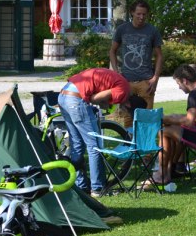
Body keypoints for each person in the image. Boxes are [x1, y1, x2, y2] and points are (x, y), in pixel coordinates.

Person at [58, 68, 145, 197]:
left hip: (64, 95)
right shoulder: (123, 91)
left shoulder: (122, 83)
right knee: (95, 146)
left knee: (77, 144)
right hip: (76, 100)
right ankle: (97, 188)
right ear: (129, 106)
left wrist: (104, 103)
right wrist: (99, 102)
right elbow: (94, 98)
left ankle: (81, 186)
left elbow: (100, 93)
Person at [150, 65, 196, 185]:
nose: (179, 87)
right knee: (171, 129)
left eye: (178, 83)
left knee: (164, 131)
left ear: (185, 81)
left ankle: (162, 173)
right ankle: (169, 171)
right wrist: (172, 119)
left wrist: (166, 119)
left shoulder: (195, 95)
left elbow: (189, 121)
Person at [109, 0, 163, 125]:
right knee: (127, 118)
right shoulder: (122, 29)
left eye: (144, 14)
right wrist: (117, 73)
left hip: (146, 81)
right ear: (132, 12)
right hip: (126, 81)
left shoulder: (152, 30)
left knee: (147, 118)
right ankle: (131, 142)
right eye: (138, 14)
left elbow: (159, 56)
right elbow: (112, 51)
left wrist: (155, 78)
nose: (141, 17)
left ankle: (146, 142)